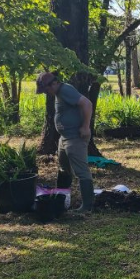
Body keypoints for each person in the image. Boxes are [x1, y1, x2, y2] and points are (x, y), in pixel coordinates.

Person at [36, 72, 96, 215]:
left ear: (54, 83)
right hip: (64, 138)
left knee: (81, 171)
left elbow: (87, 103)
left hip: (75, 137)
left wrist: (86, 127)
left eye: (47, 89)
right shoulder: (59, 93)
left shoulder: (65, 89)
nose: (47, 93)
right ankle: (61, 199)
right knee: (64, 169)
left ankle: (87, 206)